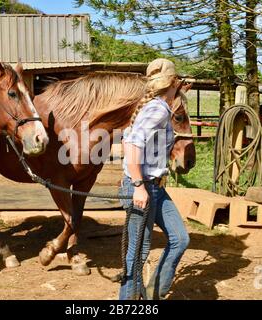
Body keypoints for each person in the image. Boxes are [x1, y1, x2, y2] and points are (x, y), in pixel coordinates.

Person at [118, 58, 190, 300]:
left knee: (180, 238)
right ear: (172, 81)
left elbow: (130, 138)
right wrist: (138, 185)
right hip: (143, 187)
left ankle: (152, 294)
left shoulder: (157, 106)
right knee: (137, 253)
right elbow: (132, 143)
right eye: (177, 79)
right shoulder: (158, 109)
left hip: (156, 187)